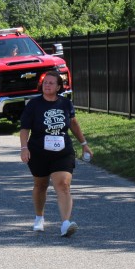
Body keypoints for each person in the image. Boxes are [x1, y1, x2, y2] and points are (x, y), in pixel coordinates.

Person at [19, 71, 92, 237]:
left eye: (51, 83)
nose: (47, 85)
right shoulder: (34, 104)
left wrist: (84, 144)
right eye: (45, 82)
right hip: (38, 151)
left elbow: (73, 123)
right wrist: (24, 148)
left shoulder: (65, 103)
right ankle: (39, 217)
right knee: (40, 185)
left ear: (59, 87)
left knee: (63, 185)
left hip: (62, 151)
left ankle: (65, 224)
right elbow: (24, 128)